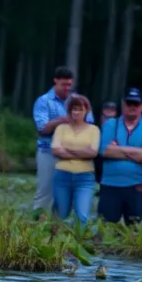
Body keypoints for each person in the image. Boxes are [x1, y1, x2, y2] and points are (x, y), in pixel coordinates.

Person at [31, 67, 93, 214]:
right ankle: (38, 226)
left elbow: (89, 124)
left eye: (69, 85)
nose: (67, 88)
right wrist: (63, 120)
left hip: (73, 154)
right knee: (45, 191)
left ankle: (57, 227)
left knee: (66, 193)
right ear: (55, 81)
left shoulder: (79, 101)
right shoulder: (44, 101)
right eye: (63, 84)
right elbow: (42, 129)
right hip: (48, 152)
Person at [98, 88, 142, 225]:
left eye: (136, 104)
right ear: (123, 104)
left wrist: (118, 149)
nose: (132, 107)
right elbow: (105, 151)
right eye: (129, 103)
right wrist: (137, 152)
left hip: (137, 185)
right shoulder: (110, 124)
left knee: (134, 228)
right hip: (110, 185)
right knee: (106, 228)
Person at [50, 94, 100, 225]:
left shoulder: (94, 130)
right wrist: (81, 153)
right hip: (62, 175)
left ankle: (79, 241)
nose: (76, 112)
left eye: (79, 109)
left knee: (82, 215)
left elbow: (92, 152)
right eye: (73, 109)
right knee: (61, 213)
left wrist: (67, 150)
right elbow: (55, 150)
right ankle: (57, 241)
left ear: (86, 111)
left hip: (85, 177)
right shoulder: (61, 128)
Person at [93, 101, 118, 183]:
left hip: (110, 154)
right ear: (103, 110)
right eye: (107, 109)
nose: (109, 112)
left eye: (112, 110)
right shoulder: (97, 122)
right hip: (97, 154)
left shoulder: (116, 123)